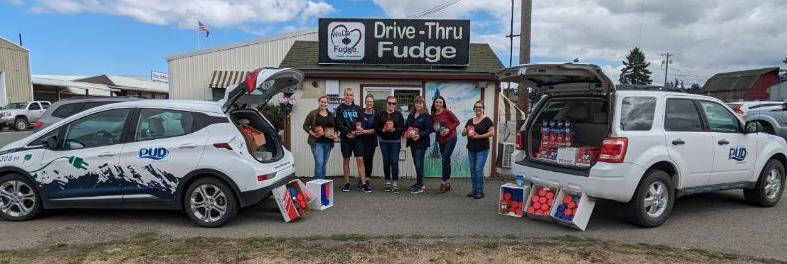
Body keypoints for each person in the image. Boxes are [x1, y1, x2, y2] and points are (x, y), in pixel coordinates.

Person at [335, 88, 370, 193]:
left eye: (350, 95)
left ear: (353, 97)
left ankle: (364, 184)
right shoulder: (339, 108)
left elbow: (361, 121)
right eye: (347, 95)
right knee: (346, 160)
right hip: (346, 138)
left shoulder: (358, 108)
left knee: (360, 160)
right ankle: (347, 183)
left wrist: (358, 131)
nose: (349, 97)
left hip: (358, 138)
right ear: (344, 96)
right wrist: (349, 132)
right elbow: (339, 124)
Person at [462, 100, 495, 199]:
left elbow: (492, 133)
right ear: (474, 109)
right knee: (472, 170)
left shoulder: (487, 120)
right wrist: (465, 130)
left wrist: (479, 136)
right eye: (476, 107)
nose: (478, 109)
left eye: (480, 107)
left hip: (482, 149)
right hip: (471, 148)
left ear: (483, 109)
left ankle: (480, 191)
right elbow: (463, 134)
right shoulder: (470, 121)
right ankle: (474, 189)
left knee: (478, 169)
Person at [374, 96, 405, 194]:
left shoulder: (399, 114)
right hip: (384, 141)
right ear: (386, 103)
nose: (391, 105)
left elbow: (402, 128)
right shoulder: (380, 114)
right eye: (389, 103)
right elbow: (376, 127)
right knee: (386, 162)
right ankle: (387, 182)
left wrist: (395, 130)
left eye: (393, 103)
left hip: (395, 141)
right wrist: (382, 130)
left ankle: (395, 183)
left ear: (395, 105)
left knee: (394, 162)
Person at [303, 96, 338, 180]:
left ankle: (322, 183)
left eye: (325, 102)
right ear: (319, 102)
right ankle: (318, 183)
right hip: (316, 142)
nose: (323, 104)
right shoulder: (313, 113)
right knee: (319, 162)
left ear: (327, 103)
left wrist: (335, 134)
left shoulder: (331, 115)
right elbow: (305, 126)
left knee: (324, 164)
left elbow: (336, 127)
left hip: (328, 143)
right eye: (322, 102)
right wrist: (313, 133)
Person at [430, 96, 460, 193]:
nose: (438, 104)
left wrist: (448, 129)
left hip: (451, 137)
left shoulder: (447, 112)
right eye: (437, 102)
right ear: (434, 103)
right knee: (446, 160)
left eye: (440, 102)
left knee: (445, 158)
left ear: (443, 103)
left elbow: (457, 122)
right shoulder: (433, 115)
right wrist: (435, 129)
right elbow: (435, 127)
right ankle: (448, 183)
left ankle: (444, 182)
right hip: (441, 139)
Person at [405, 96, 433, 194]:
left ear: (423, 104)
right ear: (414, 104)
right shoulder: (411, 115)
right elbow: (407, 126)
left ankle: (420, 186)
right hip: (412, 142)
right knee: (417, 163)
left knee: (419, 164)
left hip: (421, 143)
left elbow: (430, 129)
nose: (418, 105)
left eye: (420, 103)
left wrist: (419, 135)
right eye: (417, 103)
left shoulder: (426, 116)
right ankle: (419, 183)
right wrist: (407, 132)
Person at [359, 94, 378, 187]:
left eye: (371, 101)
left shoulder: (376, 114)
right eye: (367, 101)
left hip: (371, 141)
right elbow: (356, 123)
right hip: (360, 140)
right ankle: (361, 178)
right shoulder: (360, 112)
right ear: (365, 102)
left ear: (373, 103)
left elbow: (377, 129)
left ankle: (367, 179)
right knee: (361, 160)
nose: (369, 103)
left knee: (369, 160)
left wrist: (365, 131)